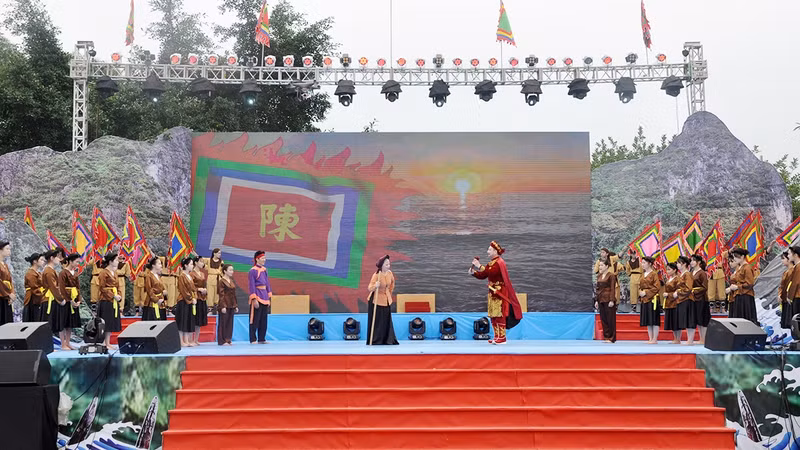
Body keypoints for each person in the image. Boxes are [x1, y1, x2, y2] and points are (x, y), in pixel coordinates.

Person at [470, 241, 523, 344]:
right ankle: (496, 337)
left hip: (500, 293)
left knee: (500, 315)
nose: (487, 251)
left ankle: (502, 337)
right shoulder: (491, 263)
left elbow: (491, 273)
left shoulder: (499, 262)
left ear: (495, 251)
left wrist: (479, 266)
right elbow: (484, 275)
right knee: (493, 316)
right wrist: (474, 273)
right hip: (492, 292)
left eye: (489, 250)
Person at [366, 255, 399, 345]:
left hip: (386, 300)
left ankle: (387, 339)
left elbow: (392, 284)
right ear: (382, 265)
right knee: (378, 321)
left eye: (389, 264)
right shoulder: (376, 275)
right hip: (376, 301)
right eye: (386, 264)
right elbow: (369, 288)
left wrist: (389, 294)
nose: (388, 266)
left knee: (386, 321)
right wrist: (375, 286)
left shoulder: (390, 273)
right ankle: (376, 340)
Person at [726, 248, 758, 324]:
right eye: (734, 257)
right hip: (738, 295)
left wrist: (738, 287)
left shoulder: (747, 268)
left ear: (742, 257)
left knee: (744, 319)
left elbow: (750, 283)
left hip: (745, 296)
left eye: (736, 256)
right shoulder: (740, 268)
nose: (734, 258)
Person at [58, 253, 83, 350]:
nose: (77, 264)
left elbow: (78, 288)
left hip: (74, 297)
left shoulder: (75, 273)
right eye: (76, 262)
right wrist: (69, 300)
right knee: (63, 322)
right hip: (66, 299)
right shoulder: (63, 273)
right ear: (70, 261)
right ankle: (63, 343)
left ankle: (68, 342)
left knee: (70, 322)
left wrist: (78, 300)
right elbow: (62, 288)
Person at [98, 253, 123, 348]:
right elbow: (102, 288)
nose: (117, 262)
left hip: (114, 299)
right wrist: (112, 296)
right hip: (106, 300)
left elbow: (118, 286)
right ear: (110, 261)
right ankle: (105, 342)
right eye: (116, 260)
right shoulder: (103, 273)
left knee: (111, 320)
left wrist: (119, 295)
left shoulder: (115, 273)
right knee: (106, 320)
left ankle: (108, 342)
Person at [40, 249, 66, 337]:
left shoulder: (50, 270)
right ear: (52, 258)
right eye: (57, 257)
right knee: (49, 324)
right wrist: (61, 299)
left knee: (51, 324)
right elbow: (53, 287)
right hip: (49, 299)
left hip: (51, 299)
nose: (59, 259)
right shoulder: (49, 271)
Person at [663, 262, 691, 344]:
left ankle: (678, 338)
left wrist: (669, 294)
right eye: (667, 269)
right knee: (672, 320)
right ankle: (675, 338)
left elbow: (678, 291)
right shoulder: (669, 279)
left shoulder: (677, 279)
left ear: (674, 270)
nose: (667, 271)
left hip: (675, 301)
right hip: (669, 302)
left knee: (676, 321)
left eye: (669, 269)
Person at [248, 251, 272, 344]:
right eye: (262, 258)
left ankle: (262, 338)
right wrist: (254, 299)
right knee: (255, 319)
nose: (264, 260)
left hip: (264, 296)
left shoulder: (264, 270)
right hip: (257, 295)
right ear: (257, 259)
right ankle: (253, 339)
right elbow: (251, 285)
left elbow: (267, 283)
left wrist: (268, 296)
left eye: (265, 258)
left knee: (263, 319)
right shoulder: (252, 271)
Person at [637, 256, 662, 344]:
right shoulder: (643, 274)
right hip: (644, 299)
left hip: (652, 299)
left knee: (654, 319)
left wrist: (646, 292)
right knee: (648, 319)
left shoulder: (654, 274)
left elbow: (657, 287)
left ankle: (655, 339)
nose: (642, 264)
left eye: (644, 263)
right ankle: (650, 338)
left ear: (649, 264)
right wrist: (640, 292)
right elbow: (640, 286)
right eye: (642, 262)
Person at [594, 258, 618, 343]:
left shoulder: (611, 276)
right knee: (603, 318)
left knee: (610, 319)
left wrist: (612, 300)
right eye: (599, 265)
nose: (600, 267)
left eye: (602, 265)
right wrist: (596, 300)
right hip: (601, 298)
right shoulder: (599, 276)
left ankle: (612, 337)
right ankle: (606, 336)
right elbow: (597, 289)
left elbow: (613, 288)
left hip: (608, 299)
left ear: (607, 266)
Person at [176, 257, 198, 347]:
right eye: (191, 264)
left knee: (187, 320)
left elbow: (194, 289)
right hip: (183, 300)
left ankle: (186, 340)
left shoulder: (189, 276)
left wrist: (195, 297)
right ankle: (181, 341)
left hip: (190, 300)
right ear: (185, 265)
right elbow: (183, 290)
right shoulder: (182, 276)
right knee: (182, 321)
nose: (192, 266)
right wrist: (191, 298)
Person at [690, 254, 711, 345]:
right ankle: (700, 338)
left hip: (701, 298)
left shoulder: (702, 273)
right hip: (693, 298)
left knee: (702, 318)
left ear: (698, 262)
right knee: (697, 318)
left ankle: (704, 339)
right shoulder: (691, 272)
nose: (691, 262)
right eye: (691, 261)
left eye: (693, 260)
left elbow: (704, 287)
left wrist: (694, 291)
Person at [676, 256, 696, 345]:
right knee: (687, 319)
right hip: (682, 299)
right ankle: (689, 339)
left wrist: (678, 293)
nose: (677, 265)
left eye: (678, 263)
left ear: (684, 264)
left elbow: (688, 288)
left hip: (687, 299)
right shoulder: (681, 274)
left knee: (689, 319)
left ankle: (690, 340)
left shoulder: (687, 274)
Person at [217, 264, 238, 346]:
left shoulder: (231, 281)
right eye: (230, 270)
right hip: (224, 303)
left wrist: (235, 305)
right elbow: (221, 294)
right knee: (223, 322)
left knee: (230, 323)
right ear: (225, 271)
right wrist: (223, 306)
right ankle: (222, 340)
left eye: (232, 270)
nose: (232, 272)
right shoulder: (221, 281)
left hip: (231, 304)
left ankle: (228, 339)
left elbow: (234, 294)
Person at [142, 256, 167, 321]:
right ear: (153, 265)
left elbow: (162, 287)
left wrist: (164, 291)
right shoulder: (149, 276)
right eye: (159, 264)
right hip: (152, 303)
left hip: (160, 301)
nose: (161, 265)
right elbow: (149, 290)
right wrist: (156, 300)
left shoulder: (158, 276)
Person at [191, 257, 209, 345]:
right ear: (196, 263)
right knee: (194, 319)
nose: (202, 263)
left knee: (199, 320)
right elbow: (190, 286)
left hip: (202, 297)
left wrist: (205, 290)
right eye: (201, 262)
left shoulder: (202, 274)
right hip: (195, 297)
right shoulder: (191, 273)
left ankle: (196, 339)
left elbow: (204, 284)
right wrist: (198, 289)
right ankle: (190, 339)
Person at [23, 253, 45, 322]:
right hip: (32, 299)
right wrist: (43, 296)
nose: (43, 262)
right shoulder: (30, 273)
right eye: (41, 260)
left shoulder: (38, 273)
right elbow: (34, 288)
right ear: (35, 261)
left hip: (37, 298)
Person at [784, 246, 800, 329]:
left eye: (789, 254)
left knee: (797, 321)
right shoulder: (796, 267)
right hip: (796, 296)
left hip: (797, 296)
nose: (788, 256)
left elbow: (795, 283)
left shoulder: (798, 267)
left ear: (796, 255)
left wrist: (790, 296)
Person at [0, 242, 16, 326]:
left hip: (6, 295)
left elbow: (10, 281)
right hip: (1, 295)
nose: (9, 251)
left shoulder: (5, 265)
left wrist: (12, 293)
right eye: (7, 249)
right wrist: (8, 293)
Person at [779, 251, 795, 330]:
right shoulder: (785, 272)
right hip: (784, 298)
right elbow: (781, 285)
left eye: (783, 258)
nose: (782, 261)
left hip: (790, 298)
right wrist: (780, 294)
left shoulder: (794, 270)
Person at [204, 248, 223, 314]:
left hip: (218, 279)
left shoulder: (221, 262)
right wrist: (195, 254)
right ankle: (210, 310)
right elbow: (201, 260)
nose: (220, 254)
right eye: (218, 253)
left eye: (220, 253)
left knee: (217, 294)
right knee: (210, 293)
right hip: (210, 278)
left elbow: (222, 271)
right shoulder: (209, 260)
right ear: (214, 253)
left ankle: (218, 309)